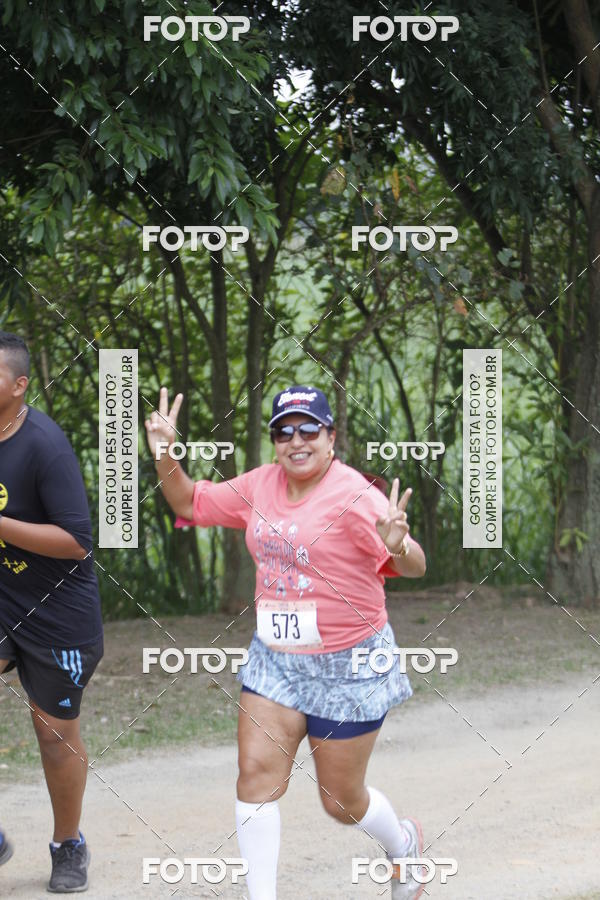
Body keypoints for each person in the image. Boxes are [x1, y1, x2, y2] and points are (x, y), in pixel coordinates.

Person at [146, 384, 428, 900]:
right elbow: (189, 499)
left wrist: (399, 544)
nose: (296, 440)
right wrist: (165, 451)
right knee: (254, 775)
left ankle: (403, 843)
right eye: (283, 431)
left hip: (350, 665)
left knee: (341, 802)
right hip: (275, 660)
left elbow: (414, 565)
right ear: (274, 440)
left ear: (330, 436)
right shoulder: (261, 485)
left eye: (308, 429)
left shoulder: (357, 496)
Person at [0, 331, 103, 893]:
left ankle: (69, 845)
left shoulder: (44, 446)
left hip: (56, 610)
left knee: (54, 734)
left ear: (18, 387)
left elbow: (77, 542)